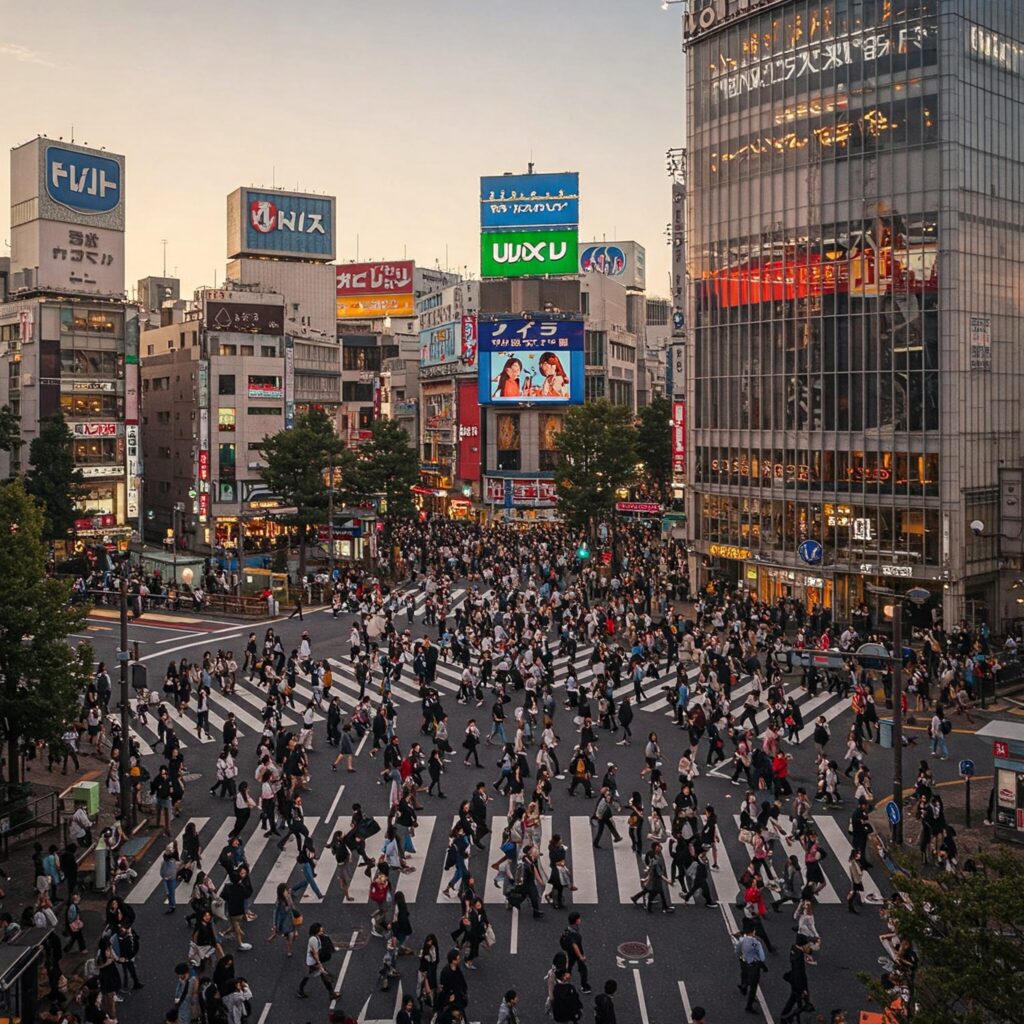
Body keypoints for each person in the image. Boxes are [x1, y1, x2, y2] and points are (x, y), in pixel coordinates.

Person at [780, 936, 815, 1023]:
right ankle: (788, 1017)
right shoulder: (798, 959)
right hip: (798, 984)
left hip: (795, 982)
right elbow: (799, 975)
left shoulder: (794, 949)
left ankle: (785, 1016)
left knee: (793, 1000)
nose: (809, 947)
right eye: (807, 945)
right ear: (802, 946)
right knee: (798, 1001)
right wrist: (803, 990)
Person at [736, 920, 767, 1015]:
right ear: (753, 931)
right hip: (753, 966)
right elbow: (762, 958)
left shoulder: (741, 940)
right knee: (753, 987)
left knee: (744, 975)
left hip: (744, 962)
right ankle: (749, 1006)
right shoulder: (756, 943)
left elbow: (738, 951)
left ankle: (743, 986)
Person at [297, 923, 334, 998]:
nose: (322, 932)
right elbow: (315, 954)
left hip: (312, 962)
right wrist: (319, 964)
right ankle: (331, 993)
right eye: (320, 930)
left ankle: (300, 991)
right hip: (313, 963)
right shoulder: (313, 940)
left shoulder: (316, 937)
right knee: (324, 976)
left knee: (308, 976)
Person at [561, 911, 590, 993]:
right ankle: (585, 987)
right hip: (575, 954)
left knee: (569, 967)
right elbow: (575, 945)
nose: (580, 920)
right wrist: (581, 957)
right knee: (583, 969)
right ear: (576, 921)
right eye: (579, 918)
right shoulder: (574, 933)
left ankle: (563, 981)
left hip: (569, 953)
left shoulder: (568, 929)